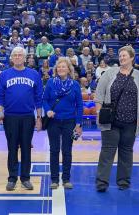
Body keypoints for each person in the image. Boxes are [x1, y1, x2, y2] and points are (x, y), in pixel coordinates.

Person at [95, 45, 139, 192]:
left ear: (132, 58)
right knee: (107, 151)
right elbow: (99, 93)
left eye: (124, 56)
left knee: (126, 152)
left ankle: (124, 181)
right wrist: (99, 111)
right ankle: (102, 182)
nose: (121, 58)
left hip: (131, 122)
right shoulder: (109, 73)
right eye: (120, 56)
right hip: (111, 121)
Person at [0, 47, 43, 191]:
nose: (17, 57)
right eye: (15, 55)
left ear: (25, 58)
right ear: (11, 58)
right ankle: (12, 178)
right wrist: (0, 112)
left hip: (28, 117)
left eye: (20, 55)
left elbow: (38, 98)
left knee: (26, 148)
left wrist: (39, 118)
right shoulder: (4, 75)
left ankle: (25, 178)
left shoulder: (34, 74)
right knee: (12, 148)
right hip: (10, 117)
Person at [42, 57, 83, 189]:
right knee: (54, 150)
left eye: (63, 67)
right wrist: (48, 110)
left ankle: (66, 179)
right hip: (53, 122)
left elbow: (80, 106)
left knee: (67, 151)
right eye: (59, 67)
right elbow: (44, 100)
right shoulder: (50, 83)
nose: (61, 69)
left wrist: (78, 123)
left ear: (69, 69)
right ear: (56, 69)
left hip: (69, 121)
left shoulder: (75, 85)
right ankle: (54, 180)